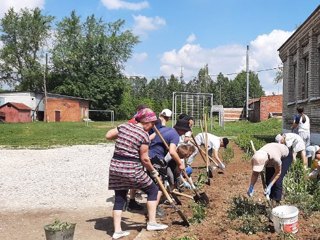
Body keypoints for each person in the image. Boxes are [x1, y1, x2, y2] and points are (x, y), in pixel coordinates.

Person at [106, 108, 168, 239]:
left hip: (116, 167)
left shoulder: (124, 126)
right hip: (131, 168)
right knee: (152, 190)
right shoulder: (143, 135)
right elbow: (145, 159)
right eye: (152, 123)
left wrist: (125, 140)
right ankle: (152, 222)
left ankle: (117, 231)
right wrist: (153, 170)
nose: (152, 126)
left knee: (120, 197)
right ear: (147, 122)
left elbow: (108, 135)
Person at [149, 119, 191, 217]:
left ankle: (153, 205)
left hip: (148, 155)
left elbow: (149, 138)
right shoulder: (175, 136)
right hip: (156, 158)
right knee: (160, 185)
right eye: (184, 131)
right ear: (181, 129)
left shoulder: (165, 129)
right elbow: (172, 152)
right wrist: (180, 163)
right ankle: (154, 209)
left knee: (154, 183)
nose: (184, 133)